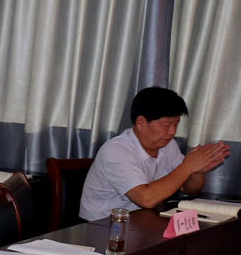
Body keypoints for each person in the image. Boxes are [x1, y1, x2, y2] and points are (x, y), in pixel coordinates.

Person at [80, 87, 230, 221]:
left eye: (176, 124)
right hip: (102, 225)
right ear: (141, 123)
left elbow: (190, 189)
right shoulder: (116, 150)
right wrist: (188, 166)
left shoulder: (168, 145)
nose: (172, 131)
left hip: (142, 220)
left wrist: (198, 170)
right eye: (166, 125)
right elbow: (146, 199)